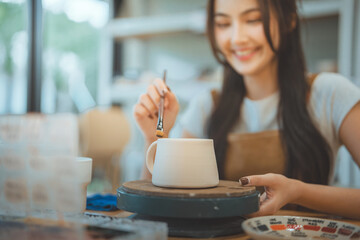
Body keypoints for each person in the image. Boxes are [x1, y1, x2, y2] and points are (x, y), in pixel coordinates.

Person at [133, 0, 360, 219]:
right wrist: (155, 138)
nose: (237, 38)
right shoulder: (207, 106)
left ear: (289, 21)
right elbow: (159, 205)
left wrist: (299, 191)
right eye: (223, 24)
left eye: (253, 20)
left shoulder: (331, 94)